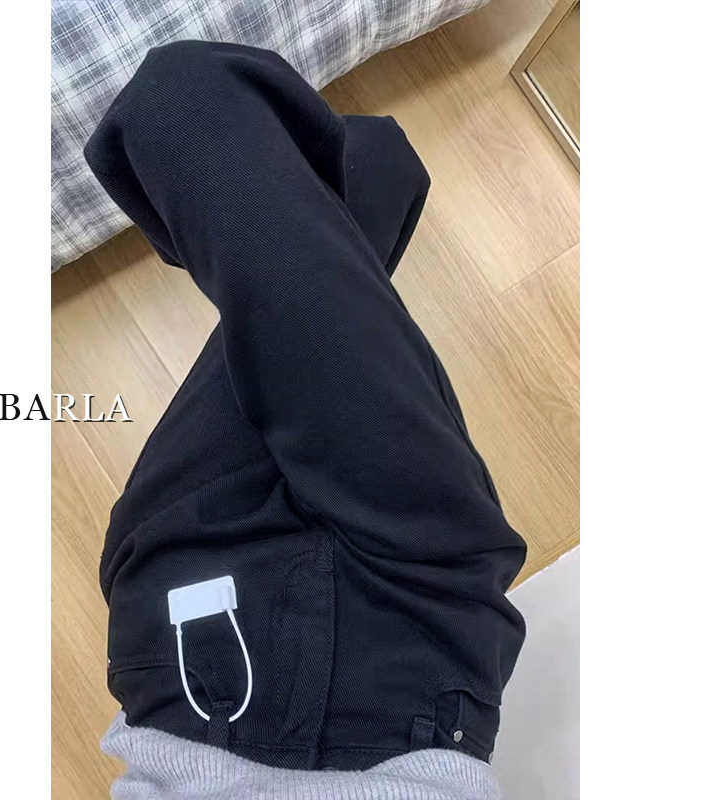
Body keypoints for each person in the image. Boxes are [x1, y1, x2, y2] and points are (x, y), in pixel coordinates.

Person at [84, 40, 526, 800]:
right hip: (214, 659)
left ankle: (356, 187)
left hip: (344, 663)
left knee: (189, 102)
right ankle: (354, 190)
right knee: (207, 114)